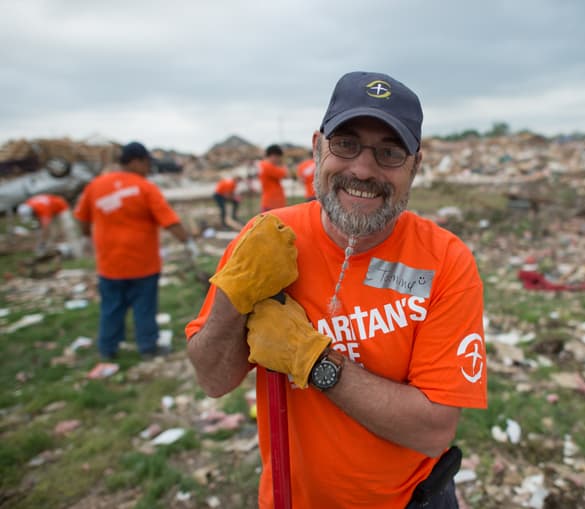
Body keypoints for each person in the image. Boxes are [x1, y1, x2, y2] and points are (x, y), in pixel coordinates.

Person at [186, 71, 487, 508]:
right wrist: (234, 301)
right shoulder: (268, 238)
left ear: (415, 167)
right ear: (317, 147)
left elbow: (433, 430)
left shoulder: (445, 261)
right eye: (346, 144)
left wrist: (313, 361)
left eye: (389, 153)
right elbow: (213, 379)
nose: (363, 170)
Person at [74, 141, 199, 360]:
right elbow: (169, 221)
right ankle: (148, 347)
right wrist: (187, 242)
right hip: (142, 263)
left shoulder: (96, 185)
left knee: (111, 307)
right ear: (135, 161)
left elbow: (82, 218)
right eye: (147, 163)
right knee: (144, 308)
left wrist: (86, 236)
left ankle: (107, 348)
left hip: (109, 263)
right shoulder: (145, 187)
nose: (149, 168)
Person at [258, 144, 289, 212]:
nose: (279, 160)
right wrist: (283, 165)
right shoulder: (267, 166)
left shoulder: (265, 165)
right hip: (272, 203)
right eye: (278, 157)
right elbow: (285, 174)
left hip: (273, 202)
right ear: (273, 155)